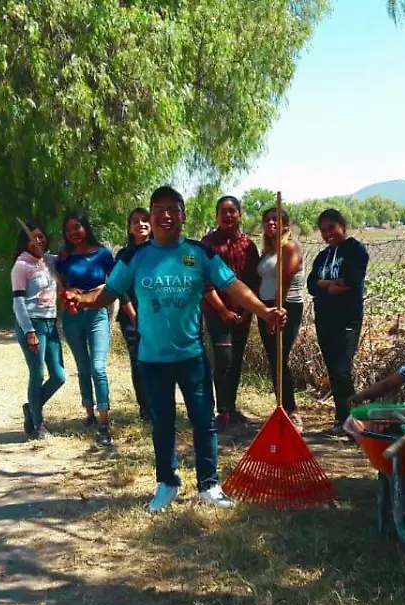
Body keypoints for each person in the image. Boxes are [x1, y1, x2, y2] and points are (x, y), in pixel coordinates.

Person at [66, 185, 287, 512]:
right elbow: (108, 292)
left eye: (173, 209)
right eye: (159, 209)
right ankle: (167, 483)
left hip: (192, 357)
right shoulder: (133, 257)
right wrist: (81, 299)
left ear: (183, 216)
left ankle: (209, 484)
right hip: (152, 358)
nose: (166, 215)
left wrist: (264, 312)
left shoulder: (200, 254)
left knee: (203, 421)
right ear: (151, 216)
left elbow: (234, 287)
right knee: (163, 423)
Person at [306, 208, 369, 438]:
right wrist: (327, 285)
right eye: (323, 230)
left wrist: (328, 285)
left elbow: (352, 280)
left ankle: (353, 422)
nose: (327, 234)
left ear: (342, 226)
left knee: (343, 370)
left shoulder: (355, 250)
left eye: (331, 228)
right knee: (333, 371)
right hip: (324, 319)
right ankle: (341, 419)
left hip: (347, 318)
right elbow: (311, 283)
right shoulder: (323, 256)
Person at [201, 196, 262, 430]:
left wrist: (248, 310)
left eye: (232, 211)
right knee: (223, 359)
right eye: (223, 211)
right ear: (216, 215)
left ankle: (232, 406)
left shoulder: (248, 245)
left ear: (239, 214)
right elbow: (205, 282)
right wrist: (223, 310)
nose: (228, 215)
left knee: (236, 360)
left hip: (243, 313)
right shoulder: (208, 244)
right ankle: (222, 410)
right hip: (217, 311)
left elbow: (252, 281)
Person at [56, 212, 116, 447]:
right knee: (82, 367)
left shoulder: (102, 253)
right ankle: (89, 413)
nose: (74, 232)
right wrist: (71, 294)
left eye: (77, 227)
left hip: (97, 315)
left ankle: (104, 421)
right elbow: (63, 283)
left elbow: (115, 281)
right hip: (72, 318)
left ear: (86, 228)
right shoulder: (65, 257)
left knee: (98, 367)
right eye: (69, 229)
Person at [10, 223, 66, 441]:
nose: (38, 241)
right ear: (26, 241)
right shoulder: (21, 265)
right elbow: (18, 303)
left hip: (51, 324)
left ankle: (31, 407)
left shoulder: (49, 261)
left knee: (59, 376)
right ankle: (38, 425)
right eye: (33, 238)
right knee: (38, 374)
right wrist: (29, 331)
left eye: (41, 237)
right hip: (33, 324)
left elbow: (68, 259)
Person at [255, 206, 305, 431]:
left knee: (280, 358)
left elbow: (284, 280)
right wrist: (262, 311)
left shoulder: (290, 247)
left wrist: (276, 311)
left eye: (277, 219)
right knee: (273, 359)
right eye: (268, 220)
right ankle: (281, 409)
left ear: (286, 224)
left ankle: (292, 412)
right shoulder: (267, 251)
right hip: (265, 307)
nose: (272, 223)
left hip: (286, 307)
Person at [116, 207, 152, 422]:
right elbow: (120, 288)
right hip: (132, 317)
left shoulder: (161, 251)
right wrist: (134, 316)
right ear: (130, 228)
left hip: (158, 316)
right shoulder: (124, 254)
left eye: (145, 220)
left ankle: (159, 406)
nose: (141, 224)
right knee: (138, 362)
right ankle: (145, 409)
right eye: (135, 221)